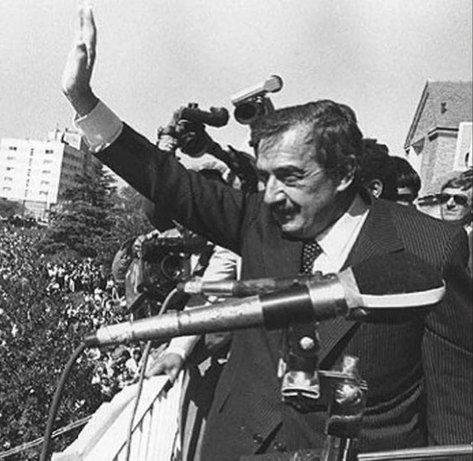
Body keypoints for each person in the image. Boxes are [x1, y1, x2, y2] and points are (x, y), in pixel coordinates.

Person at [61, 5, 471, 459]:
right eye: (265, 177)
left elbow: (455, 410)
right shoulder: (258, 222)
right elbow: (169, 183)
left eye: (291, 177)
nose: (272, 195)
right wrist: (84, 102)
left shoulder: (431, 248)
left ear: (344, 173)